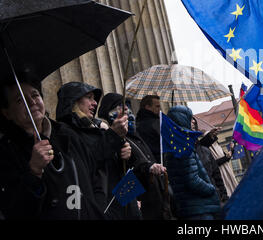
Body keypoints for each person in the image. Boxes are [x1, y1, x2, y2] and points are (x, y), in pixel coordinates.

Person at [0, 73, 104, 219]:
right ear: (7, 113)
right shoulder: (6, 153)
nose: (31, 102)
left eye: (35, 95)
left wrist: (98, 210)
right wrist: (34, 172)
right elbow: (16, 210)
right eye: (19, 100)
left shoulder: (67, 133)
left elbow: (95, 176)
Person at [55, 82, 141, 220]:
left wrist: (123, 154)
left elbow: (115, 168)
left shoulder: (97, 127)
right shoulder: (65, 133)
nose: (95, 103)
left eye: (94, 98)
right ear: (73, 101)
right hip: (103, 209)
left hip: (122, 203)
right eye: (89, 97)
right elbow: (88, 162)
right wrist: (113, 135)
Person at [97, 93, 175, 220]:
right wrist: (148, 167)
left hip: (155, 196)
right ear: (110, 112)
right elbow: (128, 170)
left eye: (127, 105)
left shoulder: (134, 133)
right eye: (121, 106)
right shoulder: (112, 138)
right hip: (142, 202)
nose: (127, 109)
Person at [165, 105, 221, 220]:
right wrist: (211, 189)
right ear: (182, 120)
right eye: (190, 118)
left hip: (192, 207)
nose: (193, 122)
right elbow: (192, 180)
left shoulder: (176, 144)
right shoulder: (183, 147)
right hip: (198, 208)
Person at [192, 117, 229, 207]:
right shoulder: (186, 152)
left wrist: (223, 194)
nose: (193, 123)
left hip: (215, 193)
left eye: (194, 122)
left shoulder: (205, 149)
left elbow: (216, 174)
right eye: (190, 121)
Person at [198, 127, 238, 198]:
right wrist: (226, 158)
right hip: (220, 173)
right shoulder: (206, 149)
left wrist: (231, 150)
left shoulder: (218, 146)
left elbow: (227, 158)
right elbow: (214, 163)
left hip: (227, 170)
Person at [136, 95, 162, 163]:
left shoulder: (136, 123)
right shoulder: (157, 123)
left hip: (147, 162)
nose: (160, 109)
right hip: (160, 162)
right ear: (148, 107)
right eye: (157, 106)